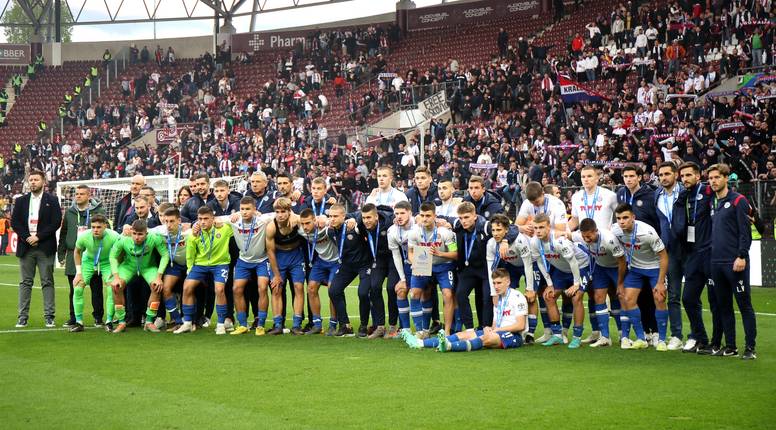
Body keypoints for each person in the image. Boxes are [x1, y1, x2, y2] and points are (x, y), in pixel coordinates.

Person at [402, 268, 528, 352]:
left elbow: (520, 325)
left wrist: (497, 330)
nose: (496, 286)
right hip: (497, 331)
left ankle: (448, 346)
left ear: (508, 282)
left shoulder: (517, 297)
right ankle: (420, 343)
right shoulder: (498, 299)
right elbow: (497, 321)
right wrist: (490, 328)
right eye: (494, 283)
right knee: (462, 335)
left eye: (499, 283)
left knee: (487, 339)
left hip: (513, 336)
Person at [707, 164, 757, 360]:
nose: (713, 181)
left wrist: (742, 255)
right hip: (716, 263)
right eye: (711, 178)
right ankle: (730, 346)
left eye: (717, 177)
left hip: (735, 261)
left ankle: (750, 348)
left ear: (726, 178)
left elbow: (745, 232)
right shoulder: (713, 202)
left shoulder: (738, 200)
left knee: (744, 305)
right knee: (724, 305)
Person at [674, 161, 719, 354]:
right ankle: (701, 338)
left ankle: (717, 343)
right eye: (682, 176)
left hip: (710, 252)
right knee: (688, 298)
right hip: (692, 254)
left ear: (698, 176)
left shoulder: (709, 191)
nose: (685, 179)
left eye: (688, 175)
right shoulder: (683, 196)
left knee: (715, 300)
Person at [612, 203, 669, 351]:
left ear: (633, 217)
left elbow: (663, 256)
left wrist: (661, 282)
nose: (622, 221)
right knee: (627, 299)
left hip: (654, 268)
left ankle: (662, 340)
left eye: (625, 217)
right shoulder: (615, 230)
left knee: (659, 298)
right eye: (619, 218)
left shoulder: (647, 232)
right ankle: (641, 338)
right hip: (635, 269)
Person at [531, 214, 590, 349]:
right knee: (549, 296)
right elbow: (540, 262)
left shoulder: (560, 241)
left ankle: (577, 337)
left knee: (576, 297)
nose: (538, 231)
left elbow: (573, 262)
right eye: (536, 228)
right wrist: (550, 284)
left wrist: (576, 284)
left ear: (549, 227)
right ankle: (557, 335)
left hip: (580, 267)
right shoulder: (534, 242)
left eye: (541, 227)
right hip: (561, 270)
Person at [12, 170, 62, 328]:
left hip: (45, 247)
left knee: (47, 281)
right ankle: (22, 317)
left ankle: (49, 316)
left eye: (36, 179)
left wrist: (38, 237)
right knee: (25, 282)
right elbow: (15, 222)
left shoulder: (52, 200)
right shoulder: (21, 201)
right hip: (26, 247)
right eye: (31, 180)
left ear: (43, 182)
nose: (33, 182)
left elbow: (56, 222)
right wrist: (28, 237)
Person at [175, 206, 234, 334]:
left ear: (213, 219)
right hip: (200, 265)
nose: (202, 222)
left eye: (206, 219)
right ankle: (187, 323)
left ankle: (220, 324)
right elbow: (190, 253)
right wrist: (190, 269)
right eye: (200, 219)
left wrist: (222, 220)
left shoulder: (224, 228)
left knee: (219, 289)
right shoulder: (194, 234)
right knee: (187, 287)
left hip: (220, 264)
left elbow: (237, 220)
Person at [572, 218, 626, 347]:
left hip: (616, 267)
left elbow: (622, 261)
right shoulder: (580, 236)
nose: (586, 239)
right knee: (598, 297)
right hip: (600, 267)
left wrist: (620, 283)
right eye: (584, 237)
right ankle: (605, 337)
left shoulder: (609, 239)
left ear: (596, 231)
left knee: (620, 296)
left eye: (589, 236)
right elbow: (567, 235)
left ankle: (623, 334)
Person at [58, 184, 106, 329]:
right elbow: (63, 233)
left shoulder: (99, 211)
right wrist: (61, 253)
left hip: (93, 254)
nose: (78, 196)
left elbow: (106, 232)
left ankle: (98, 317)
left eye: (82, 194)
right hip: (74, 254)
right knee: (74, 288)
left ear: (89, 196)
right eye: (77, 194)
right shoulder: (70, 212)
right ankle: (74, 317)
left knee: (96, 288)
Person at [108, 220, 169, 333]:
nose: (137, 237)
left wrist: (159, 277)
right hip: (128, 267)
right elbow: (112, 256)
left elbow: (165, 255)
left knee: (156, 286)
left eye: (140, 234)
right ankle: (121, 322)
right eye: (134, 233)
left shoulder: (154, 238)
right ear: (131, 231)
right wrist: (116, 277)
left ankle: (149, 322)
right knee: (116, 286)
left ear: (146, 233)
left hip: (148, 267)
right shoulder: (123, 239)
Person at [407, 202, 458, 336]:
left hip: (444, 266)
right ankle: (421, 331)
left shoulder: (445, 233)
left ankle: (447, 332)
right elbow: (410, 252)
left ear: (435, 216)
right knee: (415, 293)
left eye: (428, 215)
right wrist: (415, 263)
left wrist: (440, 253)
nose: (425, 219)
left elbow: (455, 254)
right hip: (423, 266)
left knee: (448, 294)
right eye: (422, 215)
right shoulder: (414, 233)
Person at [227, 197, 275, 335]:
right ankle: (242, 324)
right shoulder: (234, 221)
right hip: (243, 261)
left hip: (262, 260)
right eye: (242, 209)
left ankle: (260, 325)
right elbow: (215, 219)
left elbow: (279, 213)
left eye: (248, 209)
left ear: (254, 209)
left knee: (262, 288)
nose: (244, 212)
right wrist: (195, 225)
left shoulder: (262, 220)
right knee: (237, 289)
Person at [485, 215, 535, 342]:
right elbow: (491, 270)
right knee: (506, 294)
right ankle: (510, 327)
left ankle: (530, 333)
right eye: (493, 230)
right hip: (512, 266)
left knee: (531, 297)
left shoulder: (520, 240)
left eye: (499, 230)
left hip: (529, 264)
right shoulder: (491, 244)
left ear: (507, 230)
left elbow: (528, 264)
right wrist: (493, 293)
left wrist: (529, 288)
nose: (495, 233)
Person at [326, 203, 371, 337]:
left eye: (335, 216)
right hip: (347, 265)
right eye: (330, 216)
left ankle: (363, 326)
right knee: (334, 290)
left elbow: (362, 214)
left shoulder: (354, 227)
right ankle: (345, 325)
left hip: (364, 264)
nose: (332, 219)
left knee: (363, 293)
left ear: (343, 216)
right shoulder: (330, 231)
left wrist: (354, 219)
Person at [70, 215, 120, 333]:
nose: (95, 230)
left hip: (107, 262)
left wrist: (116, 270)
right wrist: (78, 273)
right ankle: (79, 322)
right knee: (77, 287)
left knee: (111, 289)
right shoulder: (84, 236)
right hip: (88, 261)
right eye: (93, 227)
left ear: (105, 226)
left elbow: (120, 253)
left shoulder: (114, 236)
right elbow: (77, 252)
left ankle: (109, 321)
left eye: (98, 227)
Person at [655, 162, 684, 350]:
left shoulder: (685, 192)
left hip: (690, 249)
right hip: (669, 251)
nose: (663, 178)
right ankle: (676, 335)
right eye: (661, 175)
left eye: (667, 174)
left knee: (692, 296)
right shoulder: (657, 195)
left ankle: (699, 336)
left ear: (676, 175)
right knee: (673, 295)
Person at [265, 197, 305, 335]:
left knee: (299, 287)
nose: (280, 215)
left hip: (296, 256)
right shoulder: (271, 227)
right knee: (276, 289)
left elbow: (313, 221)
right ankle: (277, 325)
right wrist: (276, 275)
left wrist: (296, 217)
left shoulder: (297, 220)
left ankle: (297, 325)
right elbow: (270, 251)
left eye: (283, 211)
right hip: (279, 257)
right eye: (277, 212)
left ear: (289, 211)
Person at [148, 206, 191, 333]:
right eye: (166, 221)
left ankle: (192, 320)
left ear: (179, 221)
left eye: (172, 221)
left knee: (189, 290)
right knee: (165, 289)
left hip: (190, 264)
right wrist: (126, 228)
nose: (168, 224)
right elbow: (142, 230)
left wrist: (194, 225)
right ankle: (177, 321)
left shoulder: (188, 232)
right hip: (174, 265)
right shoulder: (160, 230)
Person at [298, 207, 340, 335]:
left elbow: (337, 220)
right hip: (320, 261)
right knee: (311, 288)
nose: (305, 227)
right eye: (303, 223)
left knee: (332, 290)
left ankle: (333, 324)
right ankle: (317, 325)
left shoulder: (325, 226)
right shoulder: (300, 229)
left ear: (314, 220)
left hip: (336, 261)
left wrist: (326, 219)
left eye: (308, 223)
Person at [387, 201, 415, 335]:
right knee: (400, 289)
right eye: (396, 213)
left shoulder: (418, 225)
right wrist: (403, 279)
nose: (399, 216)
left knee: (419, 292)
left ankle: (423, 330)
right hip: (407, 263)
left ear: (410, 213)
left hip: (427, 261)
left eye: (402, 213)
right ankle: (406, 331)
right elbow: (396, 255)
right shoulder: (392, 231)